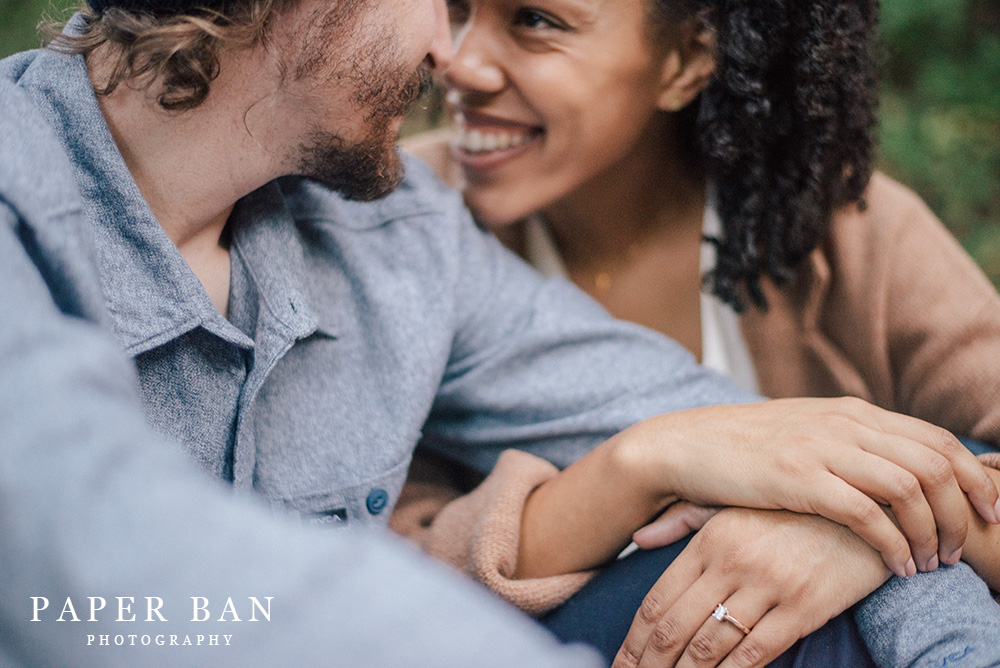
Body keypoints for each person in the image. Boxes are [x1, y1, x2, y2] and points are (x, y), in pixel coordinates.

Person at [0, 1, 997, 667]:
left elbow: (785, 448)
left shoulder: (400, 233)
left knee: (790, 577)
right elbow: (95, 558)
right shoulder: (19, 204)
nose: (452, 53)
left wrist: (710, 466)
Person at [397, 0, 1000, 663]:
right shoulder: (393, 228)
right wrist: (641, 467)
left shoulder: (839, 226)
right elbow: (383, 568)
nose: (458, 60)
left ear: (685, 61)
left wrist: (856, 531)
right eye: (454, 10)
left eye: (537, 22)